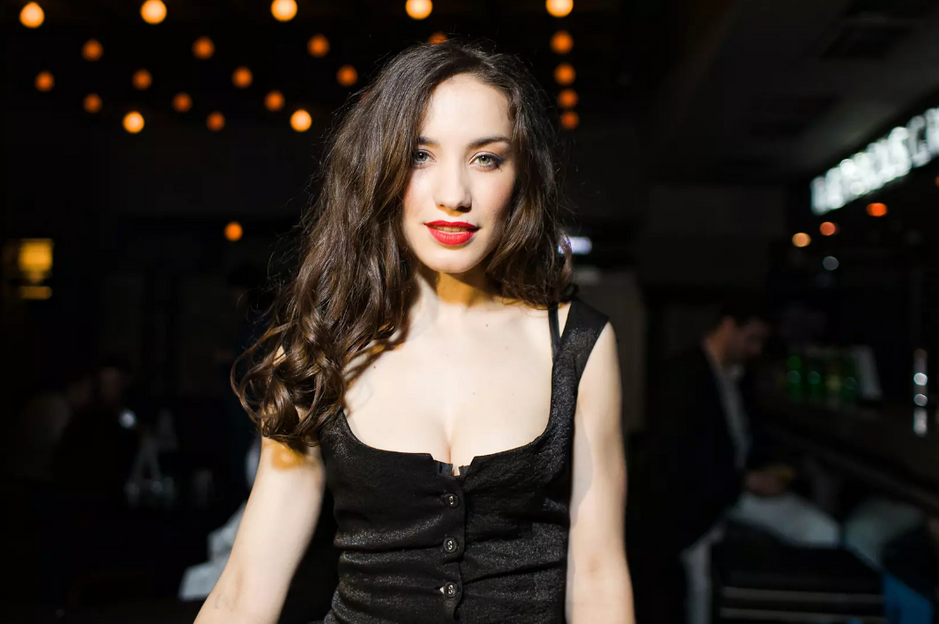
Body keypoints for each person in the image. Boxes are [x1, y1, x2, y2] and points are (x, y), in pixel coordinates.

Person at [193, 40, 634, 624]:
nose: (454, 195)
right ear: (379, 167)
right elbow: (246, 589)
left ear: (520, 174)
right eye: (420, 155)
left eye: (486, 158)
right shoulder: (324, 346)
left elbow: (598, 579)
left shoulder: (577, 346)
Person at [637, 297, 839, 624]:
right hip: (696, 501)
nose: (755, 350)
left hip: (736, 491)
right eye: (752, 338)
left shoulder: (739, 378)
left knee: (822, 531)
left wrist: (768, 471)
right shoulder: (682, 374)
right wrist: (745, 480)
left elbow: (747, 440)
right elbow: (675, 461)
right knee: (702, 581)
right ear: (729, 326)